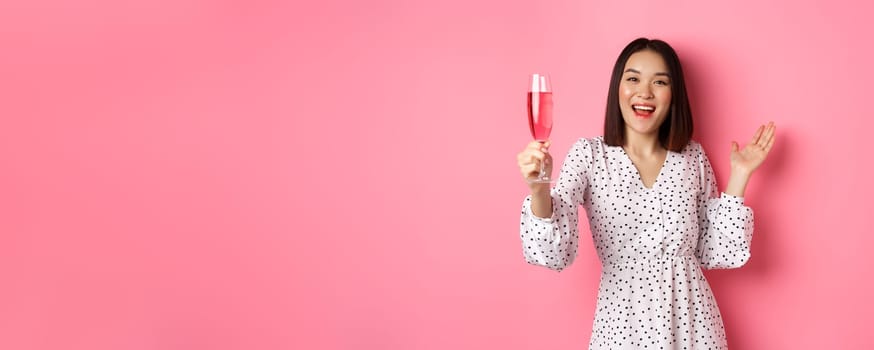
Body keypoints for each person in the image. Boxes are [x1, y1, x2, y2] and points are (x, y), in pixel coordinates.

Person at [516, 38, 776, 349]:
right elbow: (552, 253)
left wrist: (740, 176)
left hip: (692, 327)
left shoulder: (692, 157)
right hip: (621, 327)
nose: (645, 92)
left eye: (660, 82)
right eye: (634, 78)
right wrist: (538, 187)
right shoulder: (589, 155)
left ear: (673, 94)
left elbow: (715, 253)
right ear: (618, 88)